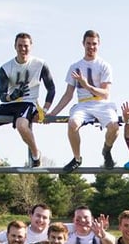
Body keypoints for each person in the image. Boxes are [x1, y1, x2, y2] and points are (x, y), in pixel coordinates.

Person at [0, 32, 55, 168]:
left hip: (29, 103)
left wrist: (44, 110)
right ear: (15, 46)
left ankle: (36, 155)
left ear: (31, 46)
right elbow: (2, 95)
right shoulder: (5, 68)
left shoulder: (40, 64)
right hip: (10, 105)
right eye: (20, 45)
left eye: (26, 45)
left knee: (22, 126)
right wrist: (12, 96)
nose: (23, 49)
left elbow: (51, 89)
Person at [47, 30, 120, 173]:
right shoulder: (75, 66)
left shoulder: (104, 65)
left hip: (102, 103)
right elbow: (68, 94)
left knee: (114, 127)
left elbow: (105, 93)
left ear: (99, 45)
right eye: (88, 44)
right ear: (83, 44)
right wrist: (53, 113)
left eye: (94, 44)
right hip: (83, 104)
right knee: (72, 123)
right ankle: (77, 158)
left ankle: (107, 150)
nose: (91, 47)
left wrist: (87, 85)